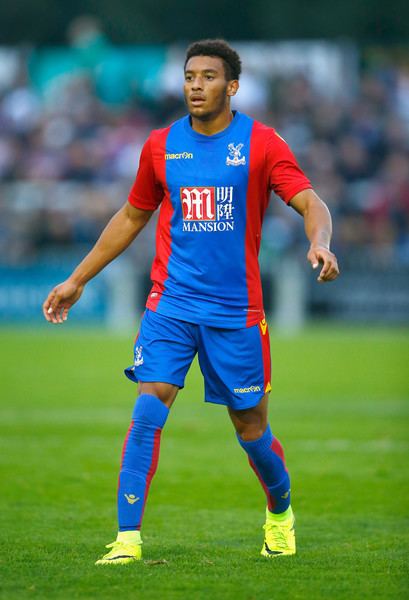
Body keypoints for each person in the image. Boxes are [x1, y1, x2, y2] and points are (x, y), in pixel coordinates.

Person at [42, 39, 339, 564]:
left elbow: (310, 201)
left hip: (236, 315)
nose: (195, 86)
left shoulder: (262, 143)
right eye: (189, 76)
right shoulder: (160, 145)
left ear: (233, 86)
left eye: (207, 76)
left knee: (251, 430)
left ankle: (280, 514)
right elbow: (132, 216)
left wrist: (320, 242)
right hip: (170, 305)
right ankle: (127, 540)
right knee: (147, 408)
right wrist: (78, 278)